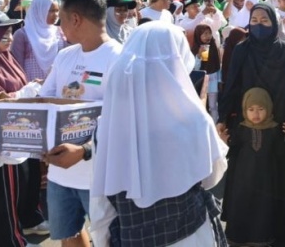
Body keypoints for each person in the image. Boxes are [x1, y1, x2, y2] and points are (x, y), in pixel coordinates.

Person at [90, 21, 229, 247]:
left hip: (134, 236)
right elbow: (211, 176)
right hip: (192, 234)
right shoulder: (192, 120)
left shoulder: (108, 126)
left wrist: (102, 239)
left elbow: (101, 203)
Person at [40, 0, 123, 247]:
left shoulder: (118, 58)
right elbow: (45, 101)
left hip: (100, 175)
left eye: (61, 19)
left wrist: (85, 150)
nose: (59, 26)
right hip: (60, 174)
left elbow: (121, 121)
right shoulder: (65, 56)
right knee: (70, 235)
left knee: (110, 239)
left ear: (75, 19)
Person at [217, 3, 285, 244]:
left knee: (275, 177)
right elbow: (231, 83)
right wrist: (224, 118)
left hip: (276, 127)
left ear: (274, 23)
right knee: (245, 179)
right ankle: (241, 232)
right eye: (254, 20)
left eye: (264, 20)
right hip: (246, 124)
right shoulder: (243, 49)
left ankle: (272, 230)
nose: (258, 25)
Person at [220, 87, 285, 246]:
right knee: (241, 206)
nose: (256, 114)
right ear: (245, 110)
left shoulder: (274, 129)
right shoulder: (241, 128)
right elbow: (232, 150)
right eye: (251, 109)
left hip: (266, 180)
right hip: (243, 180)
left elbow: (280, 152)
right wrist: (224, 142)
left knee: (263, 209)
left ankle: (261, 239)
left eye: (261, 109)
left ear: (268, 108)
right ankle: (238, 238)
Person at [0, 11, 47, 247]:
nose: (8, 36)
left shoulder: (6, 58)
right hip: (2, 140)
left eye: (9, 31)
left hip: (18, 132)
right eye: (2, 32)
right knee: (5, 194)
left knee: (21, 186)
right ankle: (13, 241)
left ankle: (21, 229)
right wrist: (26, 92)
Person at [11, 0, 67, 81]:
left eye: (57, 10)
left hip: (55, 83)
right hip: (31, 87)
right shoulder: (22, 35)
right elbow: (17, 66)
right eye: (51, 11)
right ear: (39, 11)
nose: (56, 15)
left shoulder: (60, 32)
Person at [193, 24, 222, 120]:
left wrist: (219, 81)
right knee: (202, 105)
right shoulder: (195, 49)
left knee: (213, 106)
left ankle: (214, 124)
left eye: (209, 33)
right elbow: (195, 69)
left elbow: (217, 66)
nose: (208, 36)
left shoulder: (213, 46)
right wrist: (198, 55)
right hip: (201, 82)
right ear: (198, 35)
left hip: (212, 81)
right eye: (205, 34)